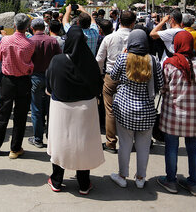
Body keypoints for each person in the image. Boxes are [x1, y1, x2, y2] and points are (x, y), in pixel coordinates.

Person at [45, 26, 105, 194]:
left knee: (60, 142)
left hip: (61, 109)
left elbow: (49, 85)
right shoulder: (90, 62)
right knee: (83, 144)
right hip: (86, 108)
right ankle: (84, 183)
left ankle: (57, 180)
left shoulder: (57, 60)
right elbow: (98, 86)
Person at [157, 31, 196, 197]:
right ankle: (194, 184)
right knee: (194, 148)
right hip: (195, 115)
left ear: (177, 44)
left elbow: (163, 88)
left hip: (174, 114)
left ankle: (170, 180)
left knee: (171, 147)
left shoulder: (170, 64)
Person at [109, 30, 164, 189]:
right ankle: (140, 178)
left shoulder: (124, 57)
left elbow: (113, 76)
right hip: (146, 110)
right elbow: (160, 83)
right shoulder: (153, 60)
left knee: (125, 144)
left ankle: (122, 176)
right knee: (143, 147)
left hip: (124, 108)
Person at [0, 13, 35, 159]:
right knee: (20, 116)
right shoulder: (29, 44)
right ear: (27, 27)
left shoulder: (5, 40)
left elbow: (0, 57)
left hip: (7, 80)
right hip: (23, 80)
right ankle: (14, 149)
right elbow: (29, 62)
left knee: (2, 113)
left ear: (14, 25)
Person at [96, 10, 136, 153]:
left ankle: (111, 142)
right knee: (131, 108)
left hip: (111, 76)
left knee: (110, 110)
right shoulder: (137, 37)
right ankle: (130, 142)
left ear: (119, 21)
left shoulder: (109, 38)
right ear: (133, 23)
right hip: (132, 77)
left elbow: (99, 59)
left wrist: (101, 75)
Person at [29, 17, 61, 148]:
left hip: (35, 77)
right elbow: (59, 58)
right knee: (50, 109)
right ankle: (51, 137)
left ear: (32, 28)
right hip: (50, 78)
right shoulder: (53, 41)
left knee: (36, 109)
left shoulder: (30, 41)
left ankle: (38, 138)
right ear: (44, 27)